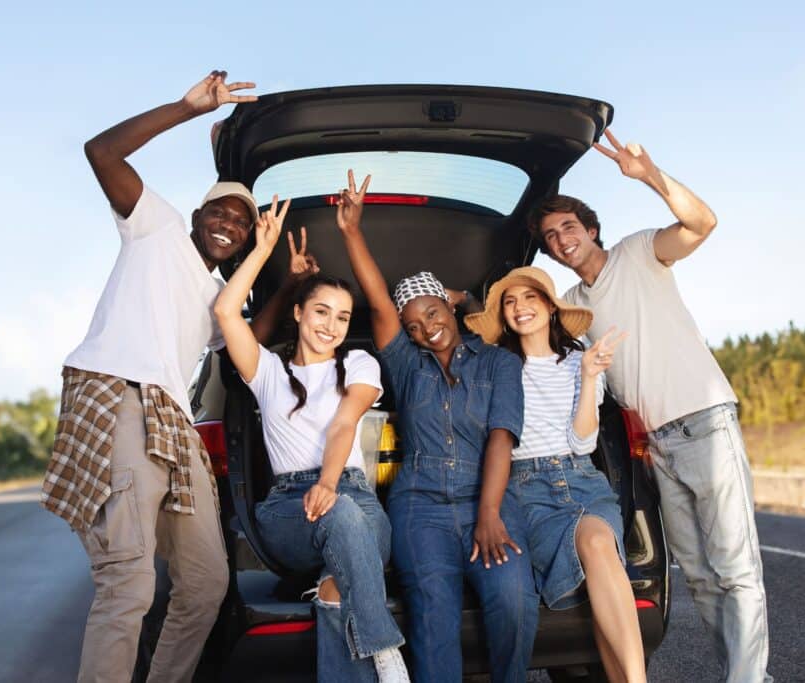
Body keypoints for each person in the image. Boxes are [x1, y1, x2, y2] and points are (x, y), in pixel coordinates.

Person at [41, 70, 287, 683]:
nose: (229, 221)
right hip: (122, 395)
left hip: (174, 422)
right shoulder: (157, 227)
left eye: (242, 219)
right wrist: (185, 107)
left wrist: (297, 280)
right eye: (221, 210)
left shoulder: (215, 296)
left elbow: (246, 339)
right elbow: (101, 151)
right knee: (128, 581)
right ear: (200, 212)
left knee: (206, 583)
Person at [531, 129, 771, 682]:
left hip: (706, 422)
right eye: (551, 235)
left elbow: (701, 224)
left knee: (735, 570)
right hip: (656, 448)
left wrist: (652, 177)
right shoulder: (572, 307)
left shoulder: (639, 252)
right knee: (702, 580)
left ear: (591, 230)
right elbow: (517, 315)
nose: (563, 239)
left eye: (570, 226)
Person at [334, 170, 539, 683]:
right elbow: (379, 300)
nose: (426, 327)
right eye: (414, 325)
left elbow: (501, 436)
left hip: (486, 496)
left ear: (448, 302)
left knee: (514, 601)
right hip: (419, 506)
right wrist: (352, 232)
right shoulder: (407, 364)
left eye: (430, 311)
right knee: (432, 619)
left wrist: (489, 514)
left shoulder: (498, 363)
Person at [213, 199, 409, 683]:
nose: (331, 325)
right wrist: (262, 251)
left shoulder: (359, 365)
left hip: (356, 501)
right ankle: (385, 647)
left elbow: (345, 424)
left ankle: (367, 638)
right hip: (288, 510)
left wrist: (329, 483)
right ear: (298, 312)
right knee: (336, 510)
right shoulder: (267, 372)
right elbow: (224, 310)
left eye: (342, 317)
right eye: (321, 311)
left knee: (334, 591)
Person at [464, 266, 645, 683]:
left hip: (581, 479)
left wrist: (588, 376)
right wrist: (462, 299)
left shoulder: (582, 360)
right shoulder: (497, 367)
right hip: (527, 491)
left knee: (599, 541)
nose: (519, 308)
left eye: (529, 298)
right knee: (598, 563)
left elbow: (582, 444)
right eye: (509, 302)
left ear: (549, 306)